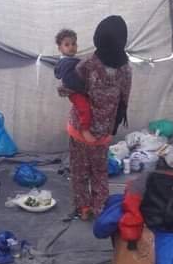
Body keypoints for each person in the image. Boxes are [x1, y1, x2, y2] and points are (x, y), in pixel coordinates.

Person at [66, 16, 132, 221]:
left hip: (94, 132)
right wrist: (92, 129)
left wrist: (109, 130)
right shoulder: (93, 65)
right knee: (88, 171)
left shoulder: (119, 68)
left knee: (91, 171)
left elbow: (122, 102)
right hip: (86, 130)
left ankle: (93, 207)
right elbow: (74, 92)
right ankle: (90, 207)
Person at [53, 29, 96, 143]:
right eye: (67, 45)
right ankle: (85, 130)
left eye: (73, 44)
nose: (71, 47)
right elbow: (70, 80)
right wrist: (84, 90)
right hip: (75, 91)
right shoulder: (66, 63)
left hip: (77, 90)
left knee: (86, 106)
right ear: (60, 48)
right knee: (84, 108)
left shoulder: (71, 60)